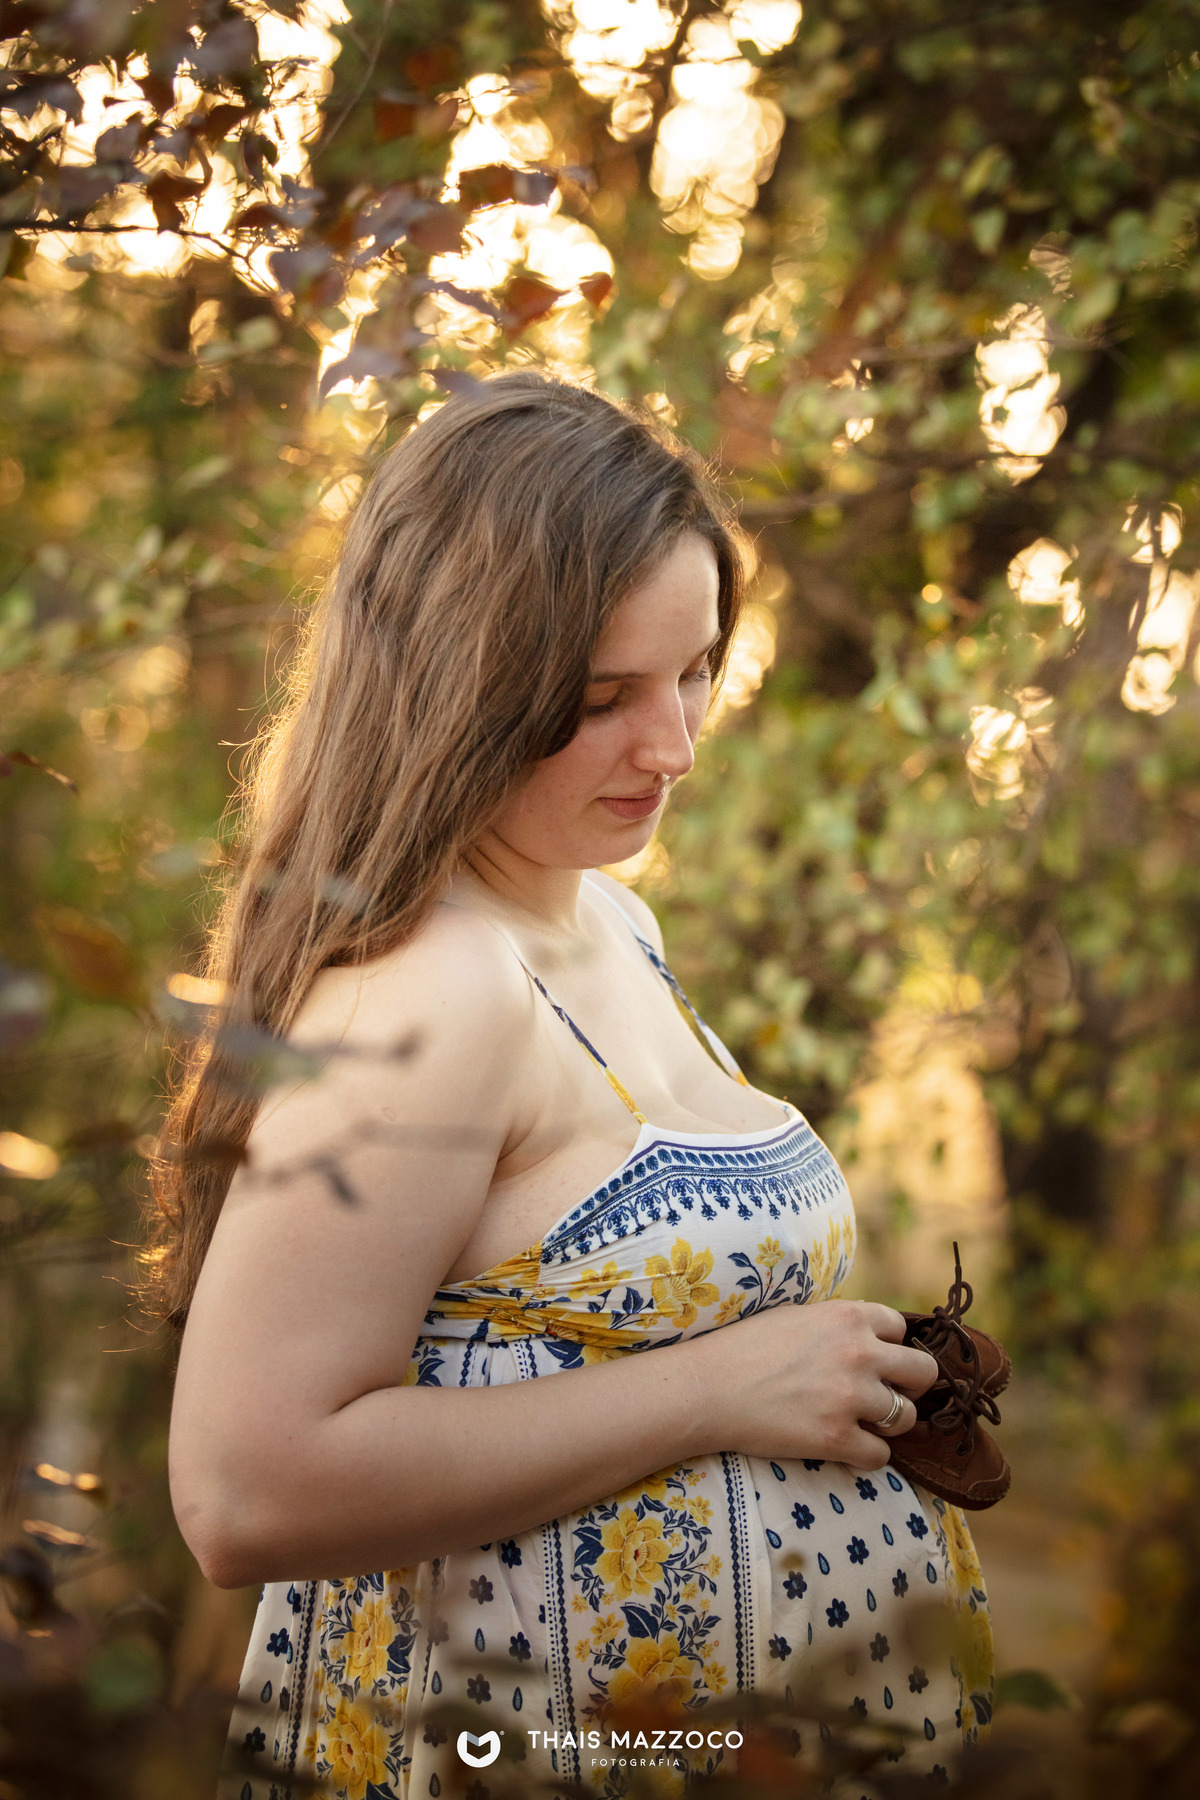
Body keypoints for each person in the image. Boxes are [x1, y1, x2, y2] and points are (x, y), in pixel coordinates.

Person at [155, 371, 993, 1800]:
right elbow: (244, 1490)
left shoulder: (603, 916)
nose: (670, 746)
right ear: (460, 682)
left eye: (695, 671)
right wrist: (720, 1385)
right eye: (604, 698)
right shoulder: (431, 988)